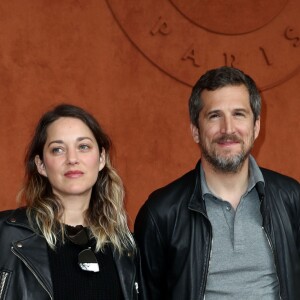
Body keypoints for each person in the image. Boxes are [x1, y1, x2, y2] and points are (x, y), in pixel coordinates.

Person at [134, 66, 300, 300]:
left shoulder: (292, 198)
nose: (228, 129)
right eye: (215, 116)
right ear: (195, 131)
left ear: (256, 127)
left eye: (239, 114)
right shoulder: (161, 213)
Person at [0, 104, 140, 299]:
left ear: (101, 158)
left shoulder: (126, 248)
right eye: (58, 149)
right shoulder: (6, 235)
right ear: (41, 164)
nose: (72, 159)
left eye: (83, 146)